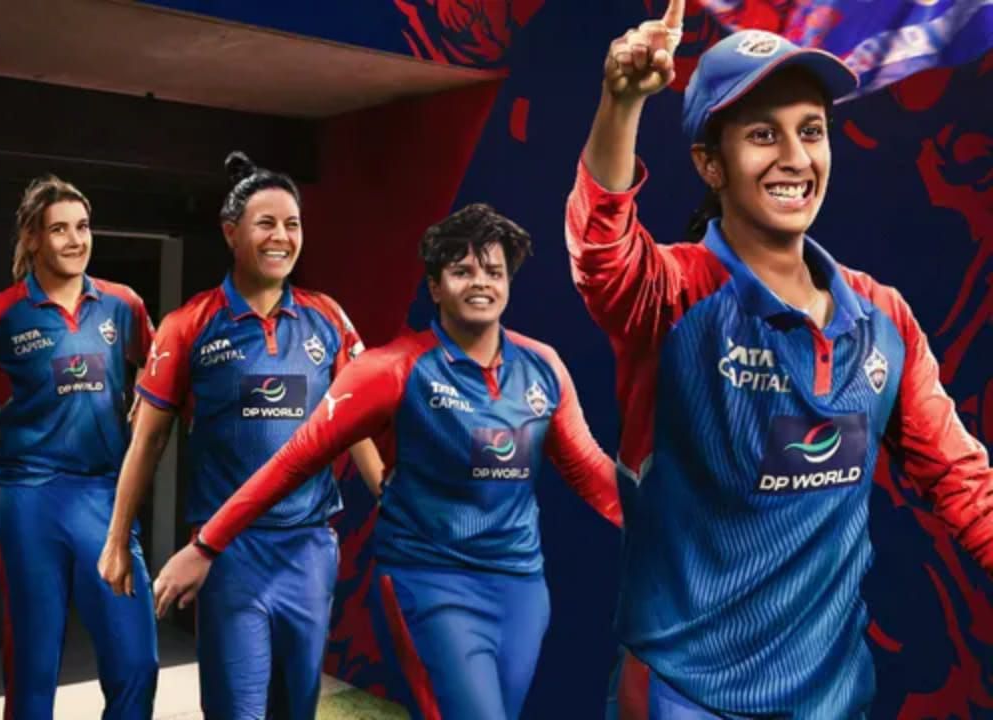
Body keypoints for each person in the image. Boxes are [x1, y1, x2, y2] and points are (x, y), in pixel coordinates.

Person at [567, 2, 993, 716]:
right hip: (683, 697)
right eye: (763, 134)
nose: (795, 157)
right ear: (710, 162)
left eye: (811, 131)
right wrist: (621, 103)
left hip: (833, 699)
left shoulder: (882, 317)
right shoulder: (676, 295)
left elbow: (963, 482)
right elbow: (600, 251)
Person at [152, 202, 622, 720]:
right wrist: (207, 544)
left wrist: (665, 521)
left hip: (521, 589)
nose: (481, 283)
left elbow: (588, 469)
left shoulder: (542, 366)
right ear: (435, 286)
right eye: (462, 271)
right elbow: (294, 460)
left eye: (494, 271)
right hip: (429, 582)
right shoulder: (392, 369)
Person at [97, 151, 384, 719]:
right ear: (231, 233)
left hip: (309, 549)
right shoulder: (189, 324)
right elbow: (148, 442)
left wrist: (391, 500)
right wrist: (116, 539)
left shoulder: (327, 317)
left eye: (292, 224)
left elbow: (353, 422)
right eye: (266, 223)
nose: (282, 237)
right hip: (229, 554)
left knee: (295, 710)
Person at [0, 176, 160, 720]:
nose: (75, 240)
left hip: (103, 497)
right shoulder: (2, 311)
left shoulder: (122, 304)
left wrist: (142, 407)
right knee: (34, 667)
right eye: (59, 229)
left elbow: (156, 365)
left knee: (136, 661)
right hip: (28, 500)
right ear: (33, 238)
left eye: (82, 227)